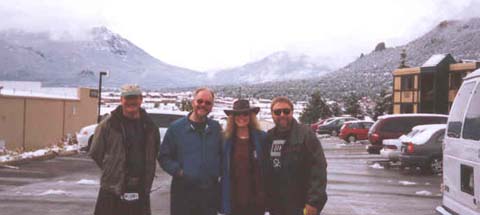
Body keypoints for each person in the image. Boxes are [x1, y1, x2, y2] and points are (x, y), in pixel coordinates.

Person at [89, 84, 160, 215]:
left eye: (135, 97)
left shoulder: (150, 126)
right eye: (128, 98)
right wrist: (112, 168)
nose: (131, 101)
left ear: (141, 99)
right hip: (112, 190)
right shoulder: (108, 125)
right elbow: (95, 152)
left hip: (140, 189)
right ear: (121, 100)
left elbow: (154, 151)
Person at [158, 88, 223, 215]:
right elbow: (164, 157)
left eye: (208, 103)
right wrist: (179, 171)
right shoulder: (176, 128)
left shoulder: (215, 128)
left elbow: (221, 154)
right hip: (183, 192)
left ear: (212, 106)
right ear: (193, 102)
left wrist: (216, 171)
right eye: (200, 101)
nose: (203, 105)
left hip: (209, 194)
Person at [264, 96, 328, 215]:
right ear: (272, 114)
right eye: (277, 112)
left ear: (292, 112)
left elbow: (319, 169)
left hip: (301, 204)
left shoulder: (306, 134)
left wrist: (313, 202)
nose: (282, 114)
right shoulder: (269, 137)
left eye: (286, 111)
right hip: (277, 205)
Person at [220, 99, 267, 215]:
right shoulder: (225, 140)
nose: (241, 117)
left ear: (251, 116)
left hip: (256, 200)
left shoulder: (262, 138)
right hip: (233, 199)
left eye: (245, 114)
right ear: (232, 117)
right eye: (237, 114)